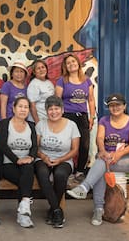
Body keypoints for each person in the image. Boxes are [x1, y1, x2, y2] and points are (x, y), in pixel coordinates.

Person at [67, 93, 129, 226]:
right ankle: (98, 209)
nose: (115, 108)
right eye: (112, 106)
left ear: (124, 106)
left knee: (100, 165)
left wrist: (118, 155)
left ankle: (86, 190)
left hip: (126, 159)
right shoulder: (104, 120)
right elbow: (100, 138)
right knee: (101, 167)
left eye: (118, 105)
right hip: (106, 157)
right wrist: (102, 151)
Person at [34, 95, 80, 228]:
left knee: (60, 174)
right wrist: (43, 157)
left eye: (57, 108)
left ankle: (52, 210)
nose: (54, 112)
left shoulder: (72, 125)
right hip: (43, 157)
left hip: (64, 158)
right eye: (50, 109)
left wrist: (60, 159)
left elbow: (75, 149)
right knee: (42, 173)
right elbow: (35, 148)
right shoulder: (40, 125)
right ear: (46, 111)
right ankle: (57, 210)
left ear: (62, 109)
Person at [0, 96, 37, 228]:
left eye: (26, 107)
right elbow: (2, 145)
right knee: (25, 178)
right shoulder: (4, 124)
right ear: (13, 108)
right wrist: (17, 159)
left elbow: (35, 146)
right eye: (20, 106)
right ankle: (23, 214)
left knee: (28, 168)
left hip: (25, 165)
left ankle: (24, 205)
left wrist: (30, 157)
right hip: (7, 163)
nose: (23, 110)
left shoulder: (31, 126)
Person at [55, 54, 95, 179]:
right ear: (65, 66)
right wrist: (58, 118)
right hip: (67, 116)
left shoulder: (86, 80)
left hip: (82, 116)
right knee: (67, 145)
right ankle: (64, 169)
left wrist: (92, 117)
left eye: (73, 61)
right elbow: (57, 100)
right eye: (68, 63)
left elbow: (91, 100)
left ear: (78, 63)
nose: (71, 64)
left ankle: (80, 171)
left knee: (84, 145)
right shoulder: (62, 80)